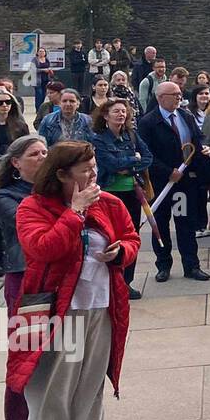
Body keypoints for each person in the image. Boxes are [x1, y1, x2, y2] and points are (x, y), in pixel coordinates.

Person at [10, 140, 140, 420]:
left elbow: (131, 238)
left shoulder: (110, 203)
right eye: (86, 168)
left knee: (91, 387)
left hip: (101, 309)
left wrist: (122, 253)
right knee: (52, 393)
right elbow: (43, 249)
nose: (94, 172)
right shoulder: (32, 208)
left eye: (94, 164)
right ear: (63, 174)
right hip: (55, 314)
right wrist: (75, 213)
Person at [0, 134, 48, 420]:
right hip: (24, 278)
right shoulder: (6, 197)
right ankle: (20, 419)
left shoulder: (56, 191)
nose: (42, 157)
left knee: (60, 347)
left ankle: (49, 412)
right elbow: (30, 228)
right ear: (16, 163)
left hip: (54, 275)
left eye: (45, 152)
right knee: (25, 351)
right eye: (35, 154)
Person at [138, 81, 210, 283]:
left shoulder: (186, 116)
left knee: (185, 223)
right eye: (175, 95)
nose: (180, 98)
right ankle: (163, 265)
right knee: (160, 225)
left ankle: (192, 266)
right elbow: (146, 155)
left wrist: (203, 148)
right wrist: (166, 171)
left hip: (184, 184)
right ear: (161, 97)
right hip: (161, 184)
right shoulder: (148, 122)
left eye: (180, 94)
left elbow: (198, 139)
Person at [89, 98, 153, 299]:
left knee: (130, 235)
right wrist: (134, 159)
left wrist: (129, 166)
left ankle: (126, 282)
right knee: (110, 237)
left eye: (124, 111)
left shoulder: (132, 135)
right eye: (116, 111)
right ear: (106, 116)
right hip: (110, 193)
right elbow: (110, 164)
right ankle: (111, 280)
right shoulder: (98, 139)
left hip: (133, 192)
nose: (121, 115)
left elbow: (148, 157)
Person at [0, 85, 32, 277]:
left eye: (8, 102)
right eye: (0, 102)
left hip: (15, 176)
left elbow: (26, 148)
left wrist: (8, 153)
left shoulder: (19, 126)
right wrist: (10, 152)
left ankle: (10, 257)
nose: (4, 106)